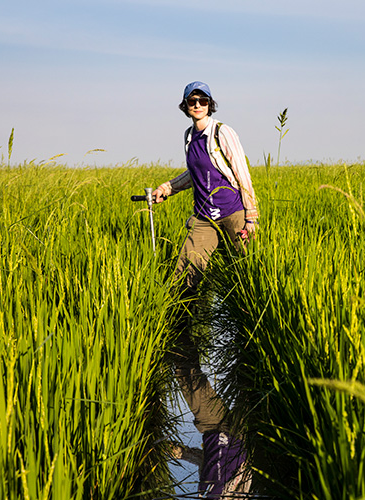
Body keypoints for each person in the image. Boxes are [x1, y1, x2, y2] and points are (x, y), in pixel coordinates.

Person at [151, 81, 257, 497]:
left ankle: (258, 326)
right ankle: (175, 327)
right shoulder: (189, 136)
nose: (196, 106)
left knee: (251, 274)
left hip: (231, 211)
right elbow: (192, 174)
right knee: (184, 276)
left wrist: (251, 215)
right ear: (185, 106)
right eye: (191, 101)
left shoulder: (221, 132)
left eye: (202, 101)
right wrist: (167, 188)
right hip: (202, 216)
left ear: (209, 104)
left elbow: (241, 169)